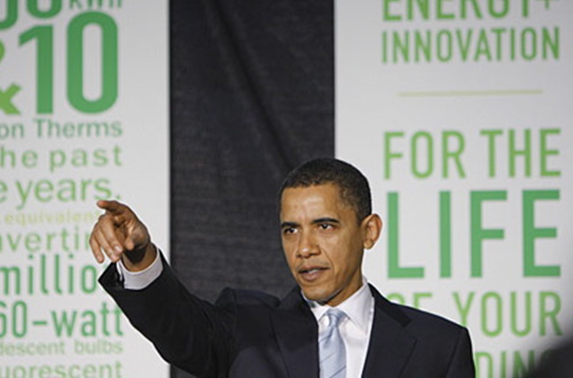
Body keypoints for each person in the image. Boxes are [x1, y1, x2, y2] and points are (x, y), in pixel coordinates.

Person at [90, 158, 475, 377]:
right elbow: (177, 328)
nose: (304, 248)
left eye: (324, 226)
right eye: (291, 230)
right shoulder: (246, 330)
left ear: (368, 231)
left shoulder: (438, 347)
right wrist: (139, 257)